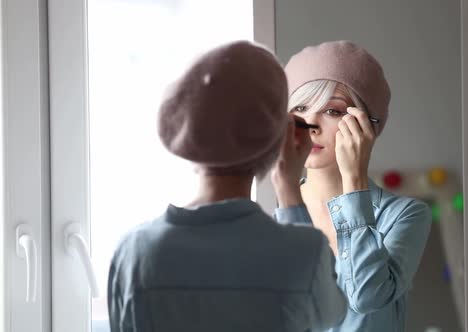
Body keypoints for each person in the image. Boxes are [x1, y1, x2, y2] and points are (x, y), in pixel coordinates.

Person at [107, 40, 347, 332]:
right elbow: (332, 317)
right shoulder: (303, 253)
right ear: (278, 138)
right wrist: (288, 188)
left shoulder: (134, 250)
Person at [270, 40, 432, 332]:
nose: (311, 124)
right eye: (301, 107)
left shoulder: (404, 215)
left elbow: (368, 297)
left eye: (332, 111)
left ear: (367, 125)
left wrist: (354, 179)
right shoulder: (271, 223)